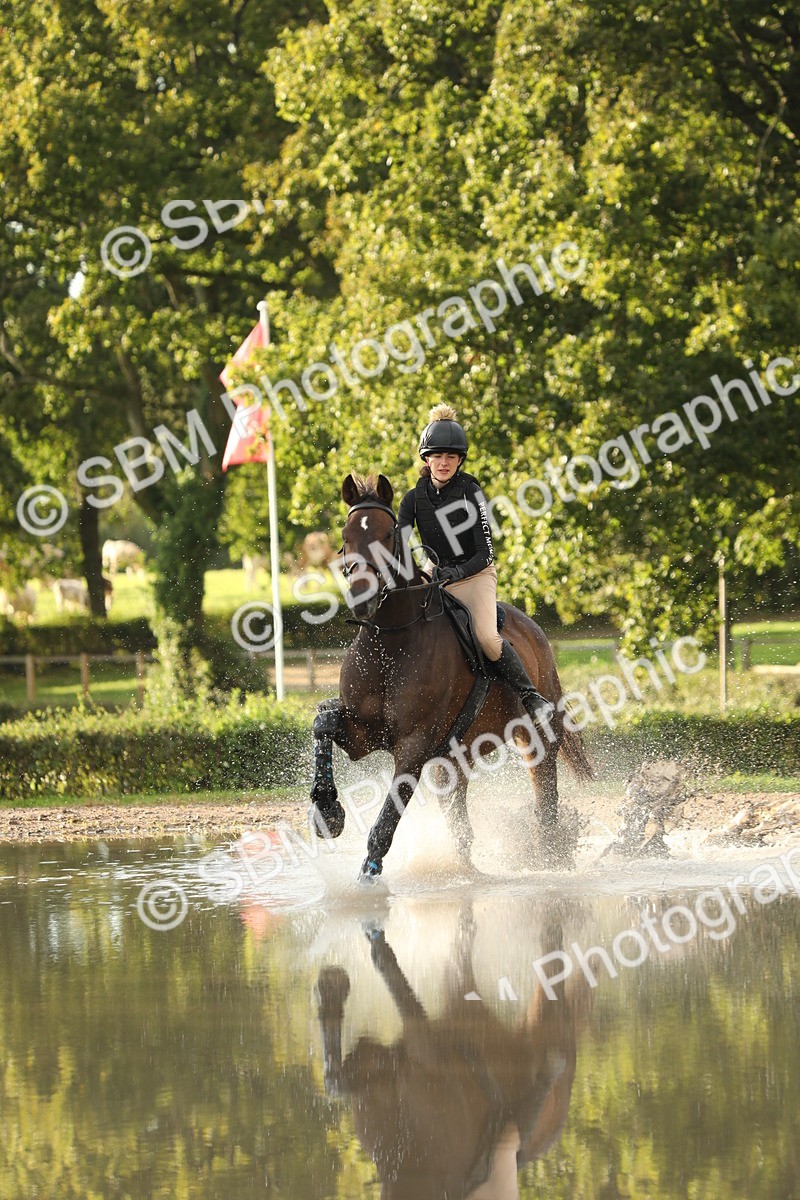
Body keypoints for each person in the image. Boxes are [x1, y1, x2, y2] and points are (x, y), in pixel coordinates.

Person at [397, 404, 553, 725]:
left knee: (486, 637)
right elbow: (400, 543)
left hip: (475, 575)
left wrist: (456, 572)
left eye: (451, 457)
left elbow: (486, 553)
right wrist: (415, 572)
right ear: (426, 459)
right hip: (434, 575)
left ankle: (530, 696)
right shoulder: (413, 499)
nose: (443, 463)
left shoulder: (472, 492)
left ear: (460, 460)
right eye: (437, 456)